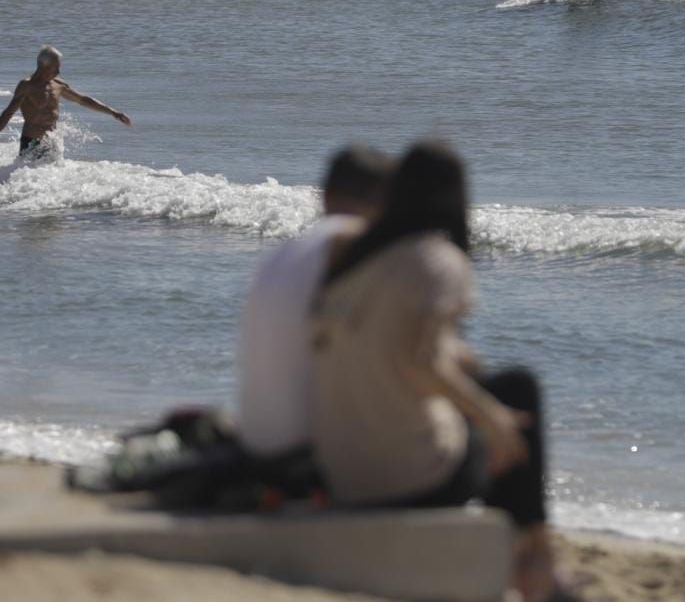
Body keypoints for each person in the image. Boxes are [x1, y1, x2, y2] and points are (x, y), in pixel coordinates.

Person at [310, 141, 564, 602]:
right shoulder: (437, 259)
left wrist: (471, 382)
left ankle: (531, 563)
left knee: (499, 392)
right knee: (516, 395)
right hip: (408, 480)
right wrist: (489, 415)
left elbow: (398, 349)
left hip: (341, 474)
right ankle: (538, 566)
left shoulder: (354, 263)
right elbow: (419, 361)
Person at [235, 146, 393, 463]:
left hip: (255, 444)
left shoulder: (278, 255)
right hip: (308, 456)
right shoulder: (355, 245)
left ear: (324, 195)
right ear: (384, 200)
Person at [0, 46, 132, 158]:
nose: (59, 71)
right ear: (44, 66)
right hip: (31, 142)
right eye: (56, 67)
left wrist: (113, 112)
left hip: (52, 141)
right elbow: (9, 112)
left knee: (51, 176)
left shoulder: (58, 85)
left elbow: (82, 100)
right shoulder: (27, 86)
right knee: (28, 178)